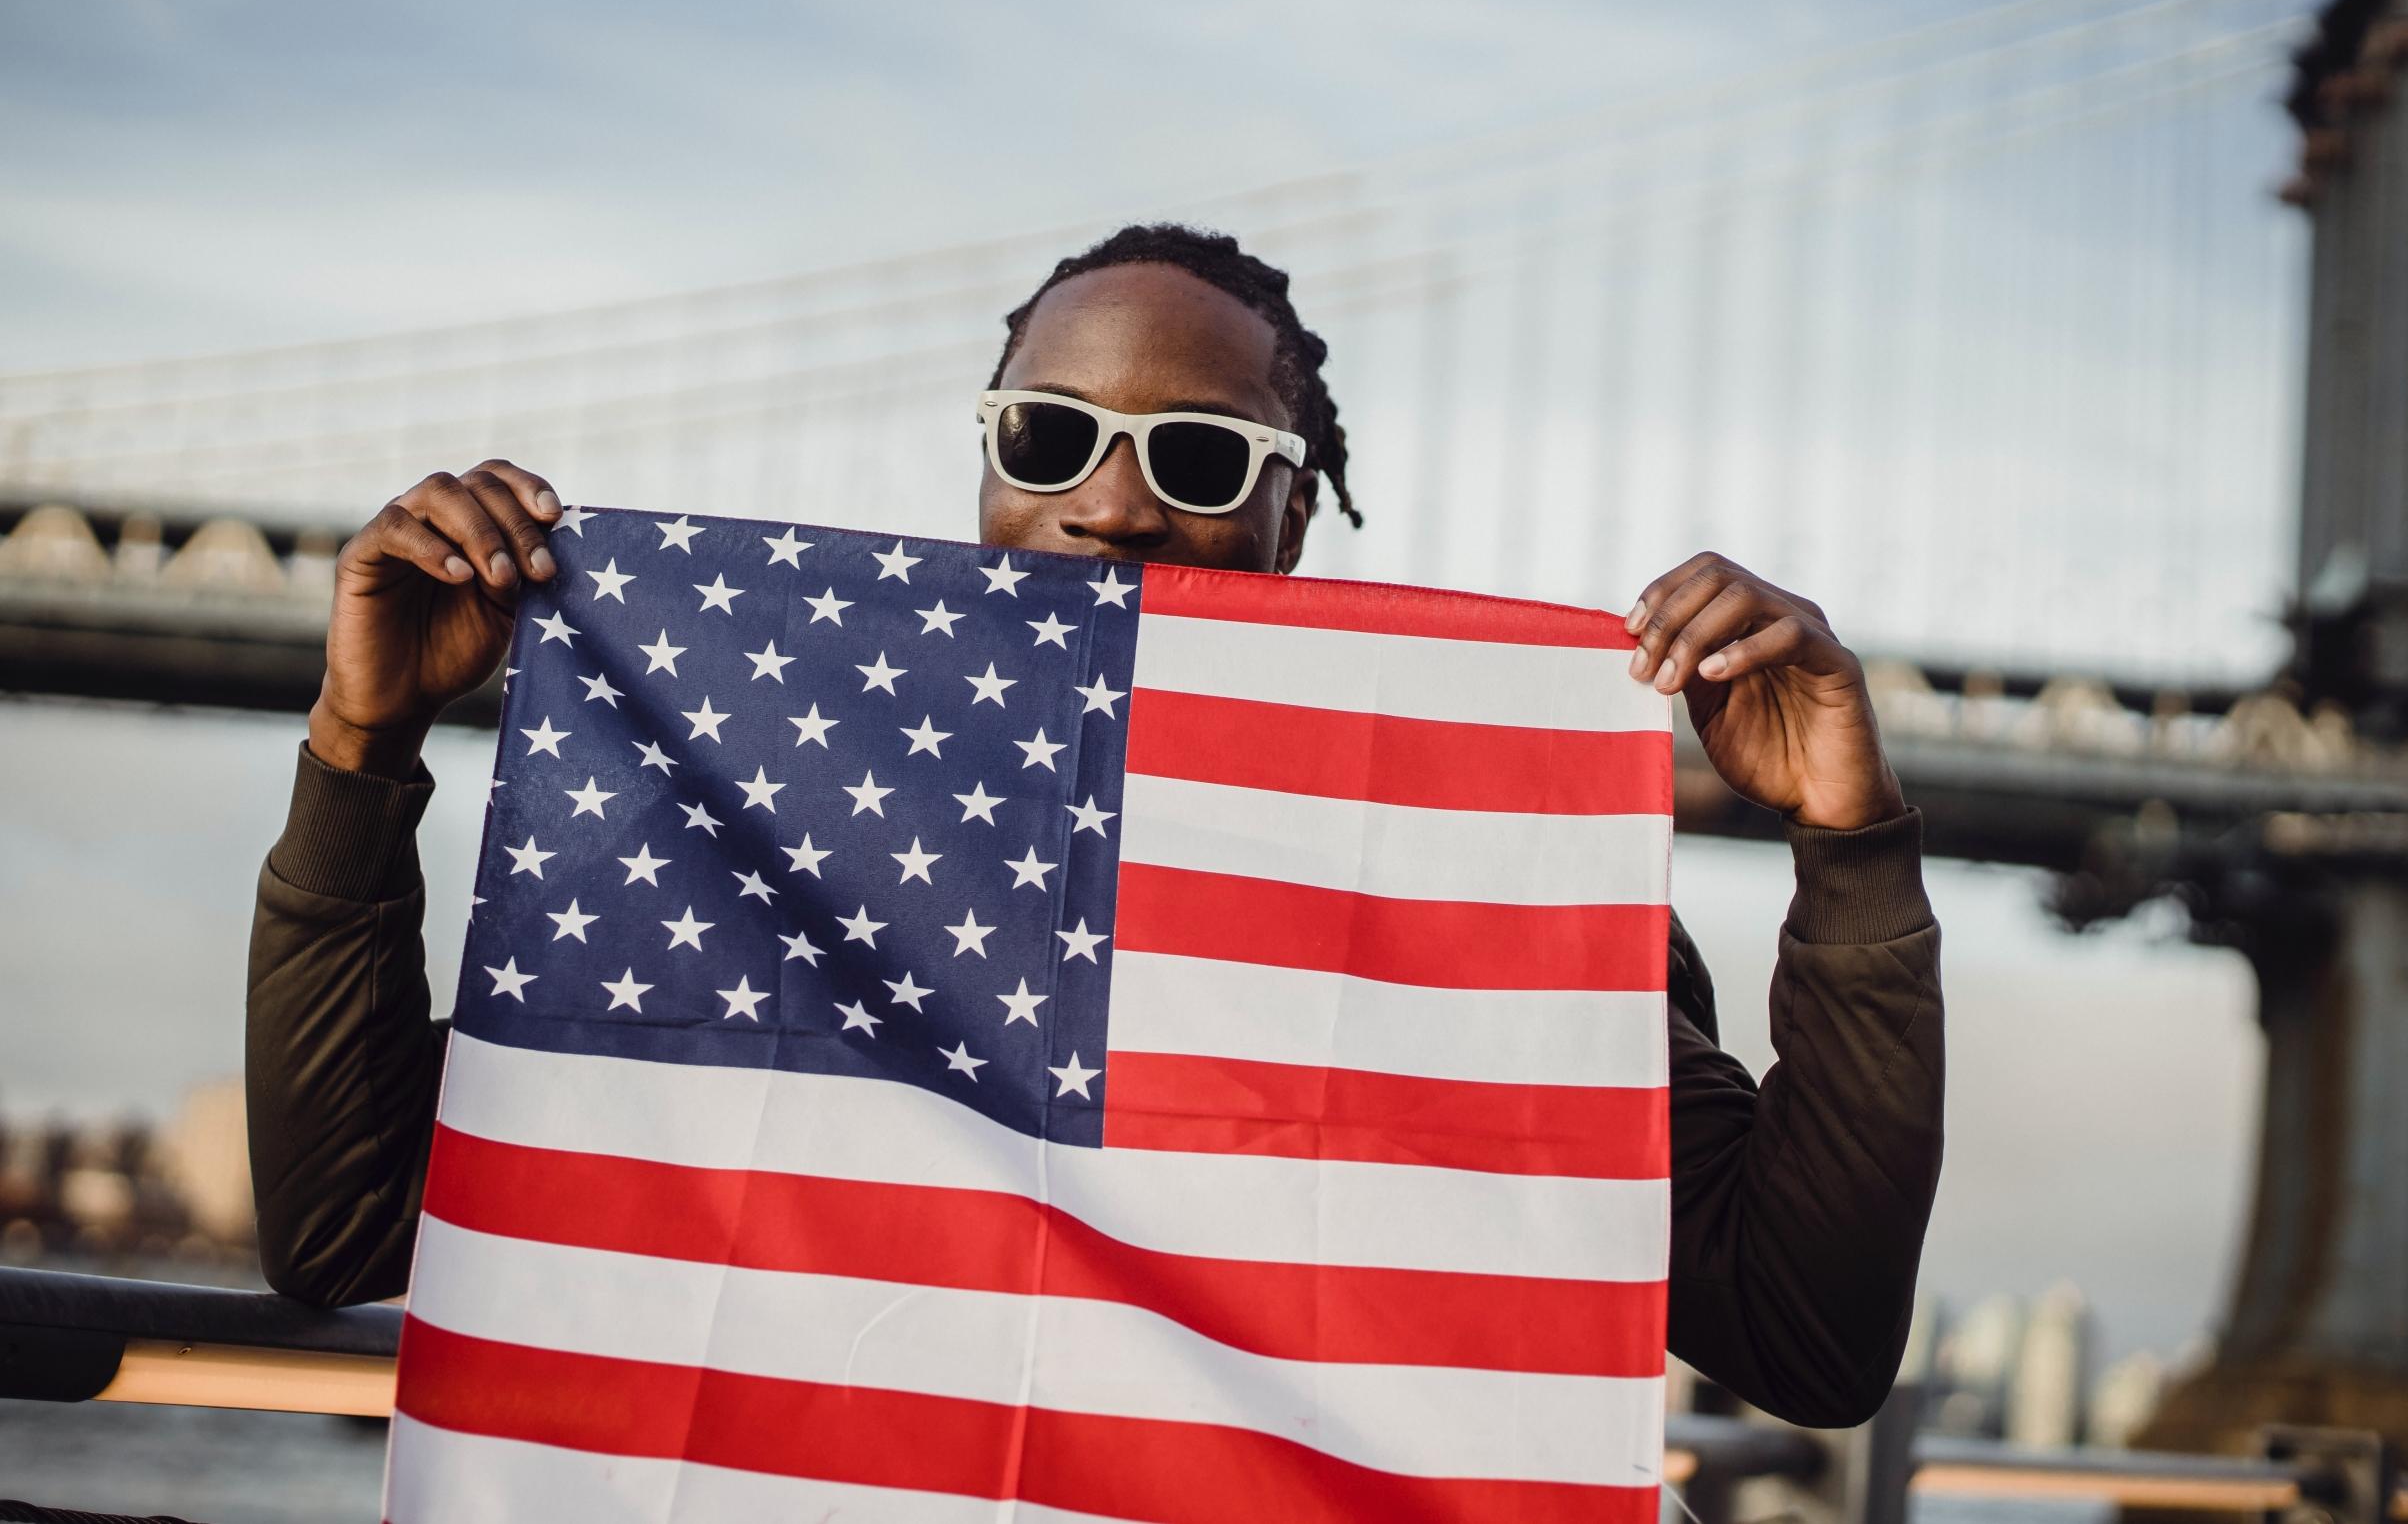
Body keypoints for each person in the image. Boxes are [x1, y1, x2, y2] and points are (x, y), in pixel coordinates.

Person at [247, 222, 1944, 1428]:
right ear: (985, 473)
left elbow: (1803, 1339)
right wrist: (363, 746)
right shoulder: (778, 836)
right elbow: (343, 1227)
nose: (1114, 501)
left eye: (1200, 457)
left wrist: (1848, 851)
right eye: (1051, 434)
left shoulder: (1490, 880)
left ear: (1295, 510)